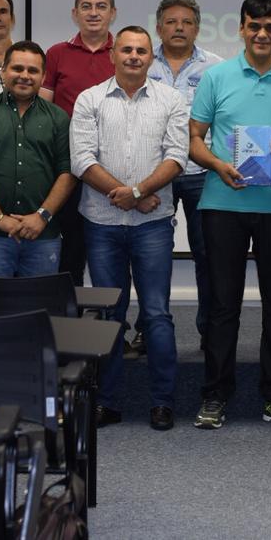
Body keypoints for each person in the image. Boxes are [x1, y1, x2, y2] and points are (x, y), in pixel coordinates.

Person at [189, 0, 271, 431]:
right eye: (253, 26)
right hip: (223, 202)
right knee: (223, 305)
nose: (262, 34)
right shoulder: (217, 77)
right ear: (242, 28)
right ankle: (215, 395)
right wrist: (216, 164)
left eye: (270, 27)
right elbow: (194, 140)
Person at [71, 26, 188, 431]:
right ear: (113, 55)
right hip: (102, 224)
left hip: (153, 225)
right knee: (109, 315)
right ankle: (108, 401)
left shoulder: (172, 100)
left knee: (156, 314)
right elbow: (82, 160)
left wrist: (137, 192)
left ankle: (162, 402)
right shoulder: (90, 100)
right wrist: (131, 196)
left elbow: (177, 157)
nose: (134, 56)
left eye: (141, 50)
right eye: (127, 50)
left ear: (150, 57)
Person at [0, 41, 75, 277]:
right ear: (3, 71)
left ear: (43, 77)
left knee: (40, 309)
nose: (25, 76)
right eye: (17, 69)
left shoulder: (59, 119)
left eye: (33, 71)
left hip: (43, 236)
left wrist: (42, 216)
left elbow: (68, 172)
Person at [147, 0, 222, 352]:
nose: (179, 28)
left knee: (208, 255)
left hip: (200, 174)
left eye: (187, 22)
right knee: (151, 258)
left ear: (197, 27)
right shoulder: (141, 63)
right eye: (172, 22)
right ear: (158, 26)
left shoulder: (217, 68)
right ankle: (149, 331)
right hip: (154, 176)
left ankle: (210, 331)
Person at [41, 0, 118, 286]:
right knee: (71, 248)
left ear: (113, 13)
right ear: (75, 13)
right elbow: (43, 111)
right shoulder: (57, 53)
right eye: (86, 6)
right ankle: (68, 318)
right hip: (67, 167)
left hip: (112, 167)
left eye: (101, 6)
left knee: (109, 251)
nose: (93, 13)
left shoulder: (124, 53)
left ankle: (108, 322)